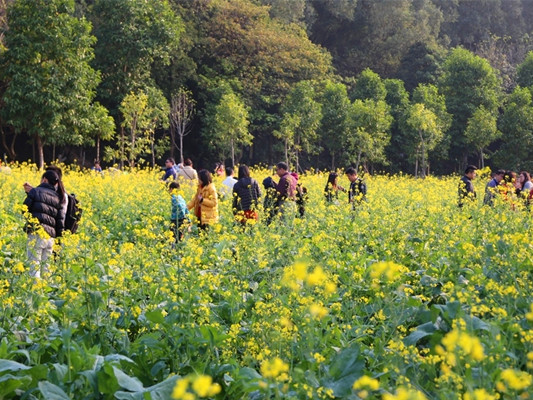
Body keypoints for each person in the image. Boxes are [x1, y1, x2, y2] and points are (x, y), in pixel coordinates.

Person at [23, 170, 65, 278]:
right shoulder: (58, 197)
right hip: (50, 238)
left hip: (36, 233)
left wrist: (30, 194)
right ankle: (47, 293)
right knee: (47, 270)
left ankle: (35, 293)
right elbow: (60, 221)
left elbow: (24, 209)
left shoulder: (35, 191)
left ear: (45, 179)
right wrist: (58, 240)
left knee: (34, 266)